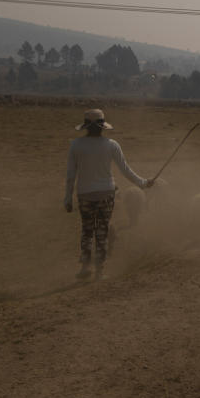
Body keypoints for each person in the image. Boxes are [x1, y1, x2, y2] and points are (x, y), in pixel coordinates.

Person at [64, 108, 153, 279]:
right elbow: (125, 170)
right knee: (102, 231)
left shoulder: (76, 145)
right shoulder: (112, 145)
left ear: (86, 127)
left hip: (85, 194)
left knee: (87, 230)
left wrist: (67, 198)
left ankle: (84, 267)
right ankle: (99, 269)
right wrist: (143, 183)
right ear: (102, 126)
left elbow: (70, 175)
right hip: (106, 194)